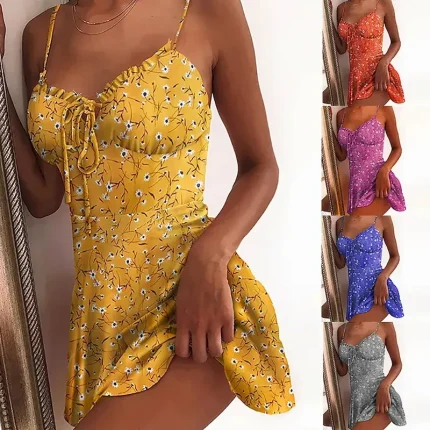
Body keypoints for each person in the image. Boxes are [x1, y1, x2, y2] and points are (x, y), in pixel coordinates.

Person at [0, 1, 295, 428]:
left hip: (191, 306)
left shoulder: (207, 10)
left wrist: (210, 255)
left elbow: (260, 167)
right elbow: (44, 195)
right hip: (100, 324)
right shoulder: (40, 36)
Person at [333, 322, 406, 429]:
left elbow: (397, 364)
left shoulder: (385, 325)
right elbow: (343, 370)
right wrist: (327, 343)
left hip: (380, 398)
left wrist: (384, 386)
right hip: (357, 402)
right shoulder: (342, 330)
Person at [335, 105, 406, 216]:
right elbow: (342, 155)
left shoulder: (384, 109)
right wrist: (325, 129)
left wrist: (384, 170)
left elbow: (397, 148)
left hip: (379, 183)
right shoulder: (341, 115)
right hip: (356, 188)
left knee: (356, 221)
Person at [333, 216, 404, 322]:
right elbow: (340, 263)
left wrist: (382, 278)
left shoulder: (383, 219)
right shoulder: (341, 222)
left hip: (377, 290)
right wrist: (324, 238)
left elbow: (395, 256)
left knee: (361, 327)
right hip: (354, 294)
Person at [336, 0, 404, 106]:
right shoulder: (342, 9)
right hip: (356, 81)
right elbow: (341, 48)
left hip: (378, 76)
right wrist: (325, 23)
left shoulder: (383, 3)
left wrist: (384, 63)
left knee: (358, 112)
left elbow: (396, 42)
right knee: (355, 114)